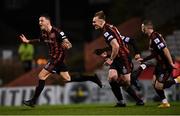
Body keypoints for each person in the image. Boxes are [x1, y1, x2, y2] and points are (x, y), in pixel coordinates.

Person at [19, 14, 102, 107]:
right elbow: (39, 40)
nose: (40, 23)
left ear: (47, 22)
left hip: (57, 58)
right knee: (67, 78)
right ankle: (92, 78)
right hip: (57, 60)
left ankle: (33, 101)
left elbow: (67, 42)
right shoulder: (43, 32)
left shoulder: (58, 32)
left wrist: (67, 44)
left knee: (41, 76)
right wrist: (28, 41)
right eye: (39, 21)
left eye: (41, 21)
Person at [92, 11, 144, 107]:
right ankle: (121, 102)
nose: (93, 23)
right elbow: (119, 42)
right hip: (117, 57)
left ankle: (138, 98)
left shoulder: (107, 31)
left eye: (94, 21)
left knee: (126, 82)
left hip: (123, 58)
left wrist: (110, 58)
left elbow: (116, 46)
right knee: (112, 78)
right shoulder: (110, 27)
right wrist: (106, 52)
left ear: (100, 21)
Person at [139, 20, 180, 108]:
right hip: (159, 64)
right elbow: (155, 53)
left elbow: (165, 50)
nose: (142, 29)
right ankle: (165, 103)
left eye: (143, 27)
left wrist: (170, 63)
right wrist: (144, 59)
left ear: (146, 27)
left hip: (165, 64)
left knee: (159, 86)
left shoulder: (155, 37)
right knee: (154, 83)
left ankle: (177, 80)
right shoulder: (151, 37)